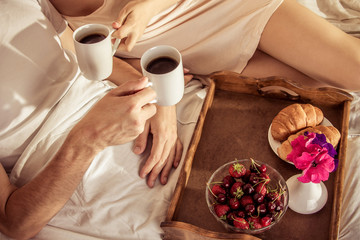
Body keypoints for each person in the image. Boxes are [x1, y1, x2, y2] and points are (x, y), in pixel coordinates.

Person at [0, 0, 194, 238]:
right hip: (65, 164)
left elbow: (86, 56)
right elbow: (15, 224)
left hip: (116, 100)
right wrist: (90, 138)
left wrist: (154, 96)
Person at [50, 0, 360, 91]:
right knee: (320, 85)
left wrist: (149, 7)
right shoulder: (45, 14)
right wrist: (153, 85)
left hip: (234, 8)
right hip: (204, 60)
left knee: (354, 72)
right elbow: (103, 64)